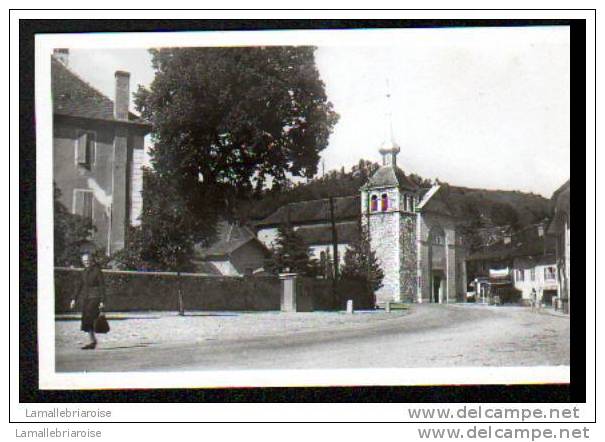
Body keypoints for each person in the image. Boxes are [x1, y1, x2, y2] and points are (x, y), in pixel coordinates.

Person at [70, 253, 105, 350]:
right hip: (85, 298)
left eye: (88, 260)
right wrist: (74, 299)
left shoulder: (97, 271)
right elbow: (79, 286)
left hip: (95, 298)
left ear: (92, 260)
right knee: (86, 319)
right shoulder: (84, 272)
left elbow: (102, 286)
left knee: (89, 318)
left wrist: (102, 301)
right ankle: (92, 341)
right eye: (84, 261)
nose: (86, 263)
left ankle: (92, 341)